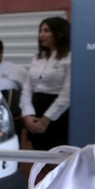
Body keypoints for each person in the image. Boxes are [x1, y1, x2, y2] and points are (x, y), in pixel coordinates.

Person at [20, 16, 71, 150]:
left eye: (46, 31)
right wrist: (28, 115)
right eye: (40, 31)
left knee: (57, 155)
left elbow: (67, 93)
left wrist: (47, 119)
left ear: (59, 33)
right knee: (38, 154)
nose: (41, 35)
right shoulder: (38, 58)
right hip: (36, 107)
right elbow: (27, 88)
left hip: (58, 113)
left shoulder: (70, 57)